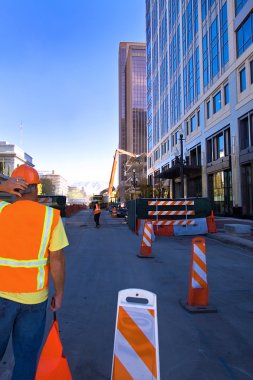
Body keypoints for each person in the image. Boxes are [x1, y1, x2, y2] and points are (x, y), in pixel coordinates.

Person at [0, 165, 69, 380]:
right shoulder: (52, 217)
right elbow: (56, 260)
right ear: (36, 190)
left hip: (1, 296)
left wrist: (2, 186)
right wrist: (59, 293)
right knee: (26, 357)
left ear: (15, 189)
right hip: (35, 300)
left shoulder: (2, 211)